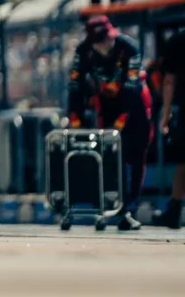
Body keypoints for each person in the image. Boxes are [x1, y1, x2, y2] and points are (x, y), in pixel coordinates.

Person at [67, 15, 151, 231]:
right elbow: (75, 85)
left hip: (137, 104)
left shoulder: (129, 48)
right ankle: (113, 206)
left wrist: (122, 120)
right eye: (102, 40)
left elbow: (132, 87)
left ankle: (129, 207)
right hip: (106, 103)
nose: (107, 43)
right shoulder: (83, 51)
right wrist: (75, 117)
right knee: (111, 155)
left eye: (108, 38)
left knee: (136, 153)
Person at [155, 28, 185, 229]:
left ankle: (174, 212)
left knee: (184, 162)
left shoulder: (179, 38)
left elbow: (169, 80)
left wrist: (165, 115)